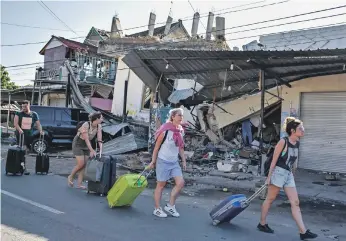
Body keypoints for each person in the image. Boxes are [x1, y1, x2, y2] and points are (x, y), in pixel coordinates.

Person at [257, 117, 318, 240]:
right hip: (278, 173)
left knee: (295, 203)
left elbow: (293, 161)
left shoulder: (298, 143)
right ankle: (262, 223)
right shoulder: (283, 142)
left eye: (302, 128)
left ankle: (303, 232)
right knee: (270, 199)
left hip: (288, 175)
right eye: (300, 128)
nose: (303, 130)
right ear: (292, 130)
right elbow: (273, 160)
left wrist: (292, 174)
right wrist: (268, 177)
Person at [148, 108, 186, 218]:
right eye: (179, 115)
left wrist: (183, 160)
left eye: (182, 116)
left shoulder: (180, 130)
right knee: (161, 185)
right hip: (163, 161)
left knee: (180, 183)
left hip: (174, 162)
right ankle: (157, 208)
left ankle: (170, 206)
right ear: (173, 117)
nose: (181, 118)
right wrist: (153, 161)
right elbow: (156, 148)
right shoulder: (165, 131)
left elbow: (181, 147)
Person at [68, 112, 103, 189]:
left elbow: (99, 139)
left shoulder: (99, 126)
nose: (102, 119)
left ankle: (79, 184)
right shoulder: (86, 125)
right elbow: (86, 139)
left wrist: (101, 149)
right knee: (81, 163)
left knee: (84, 165)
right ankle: (70, 177)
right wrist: (92, 150)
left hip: (87, 144)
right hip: (78, 143)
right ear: (96, 119)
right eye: (101, 118)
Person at [13, 100, 44, 174]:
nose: (23, 108)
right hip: (20, 135)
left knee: (25, 151)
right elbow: (15, 124)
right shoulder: (18, 113)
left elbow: (38, 124)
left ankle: (22, 166)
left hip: (29, 135)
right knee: (21, 150)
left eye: (25, 106)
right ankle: (21, 167)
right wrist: (20, 130)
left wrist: (41, 131)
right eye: (22, 106)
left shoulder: (34, 114)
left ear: (29, 106)